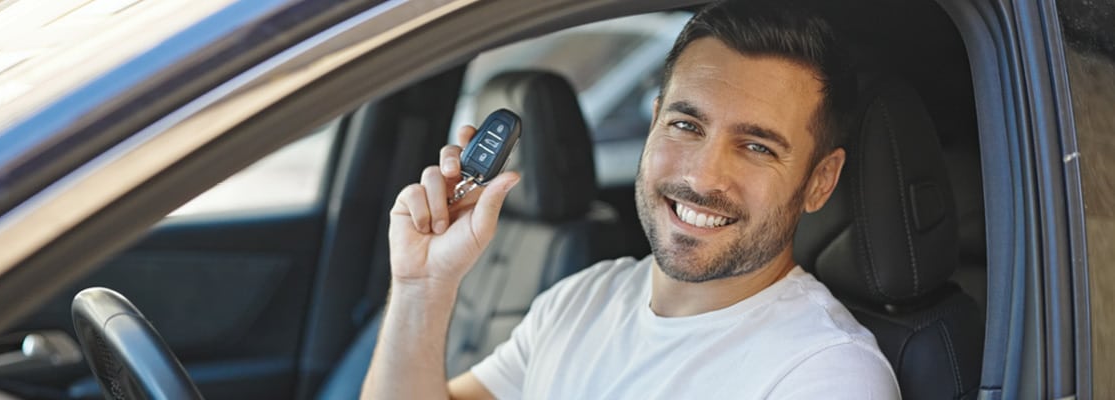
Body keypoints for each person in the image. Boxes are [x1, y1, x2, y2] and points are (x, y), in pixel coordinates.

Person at [362, 0, 901, 398]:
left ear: (820, 181)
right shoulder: (581, 299)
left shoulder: (826, 374)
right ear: (653, 123)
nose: (703, 175)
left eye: (757, 145)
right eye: (687, 125)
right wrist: (422, 287)